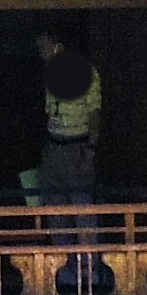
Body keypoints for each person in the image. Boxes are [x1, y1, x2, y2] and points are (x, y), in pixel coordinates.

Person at [32, 32, 102, 201]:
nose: (41, 53)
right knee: (54, 204)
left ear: (59, 47)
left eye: (44, 47)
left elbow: (94, 113)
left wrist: (90, 151)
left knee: (81, 203)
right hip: (53, 146)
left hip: (77, 147)